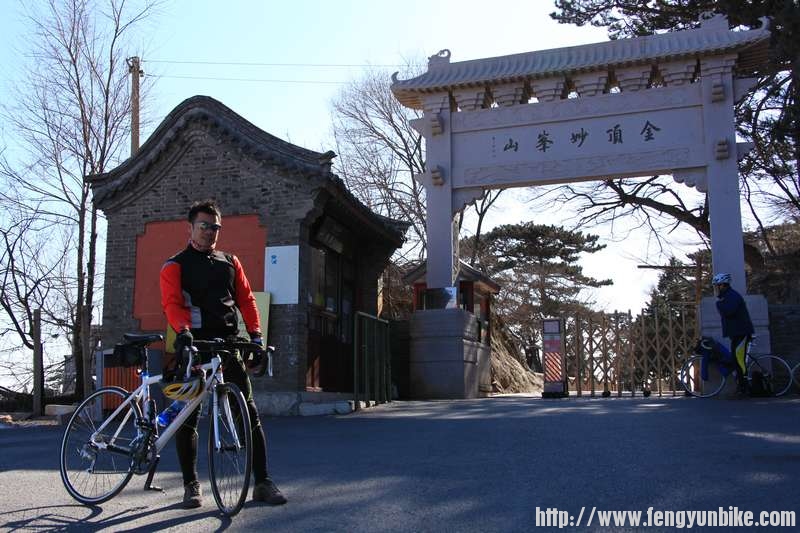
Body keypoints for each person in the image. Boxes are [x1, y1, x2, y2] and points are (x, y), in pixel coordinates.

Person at [160, 199, 286, 509]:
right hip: (195, 346)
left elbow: (246, 300)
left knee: (250, 413)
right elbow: (173, 304)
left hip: (228, 346)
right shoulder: (175, 265)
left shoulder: (230, 262)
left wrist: (255, 335)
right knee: (188, 417)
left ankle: (263, 482)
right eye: (204, 226)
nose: (210, 232)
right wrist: (184, 332)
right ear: (190, 227)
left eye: (215, 227)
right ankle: (191, 485)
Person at [711, 273, 754, 394]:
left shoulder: (732, 296)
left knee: (739, 360)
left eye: (717, 286)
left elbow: (729, 311)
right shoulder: (727, 296)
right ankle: (741, 386)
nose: (716, 289)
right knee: (736, 359)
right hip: (736, 333)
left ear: (723, 285)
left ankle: (744, 388)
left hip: (742, 332)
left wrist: (719, 304)